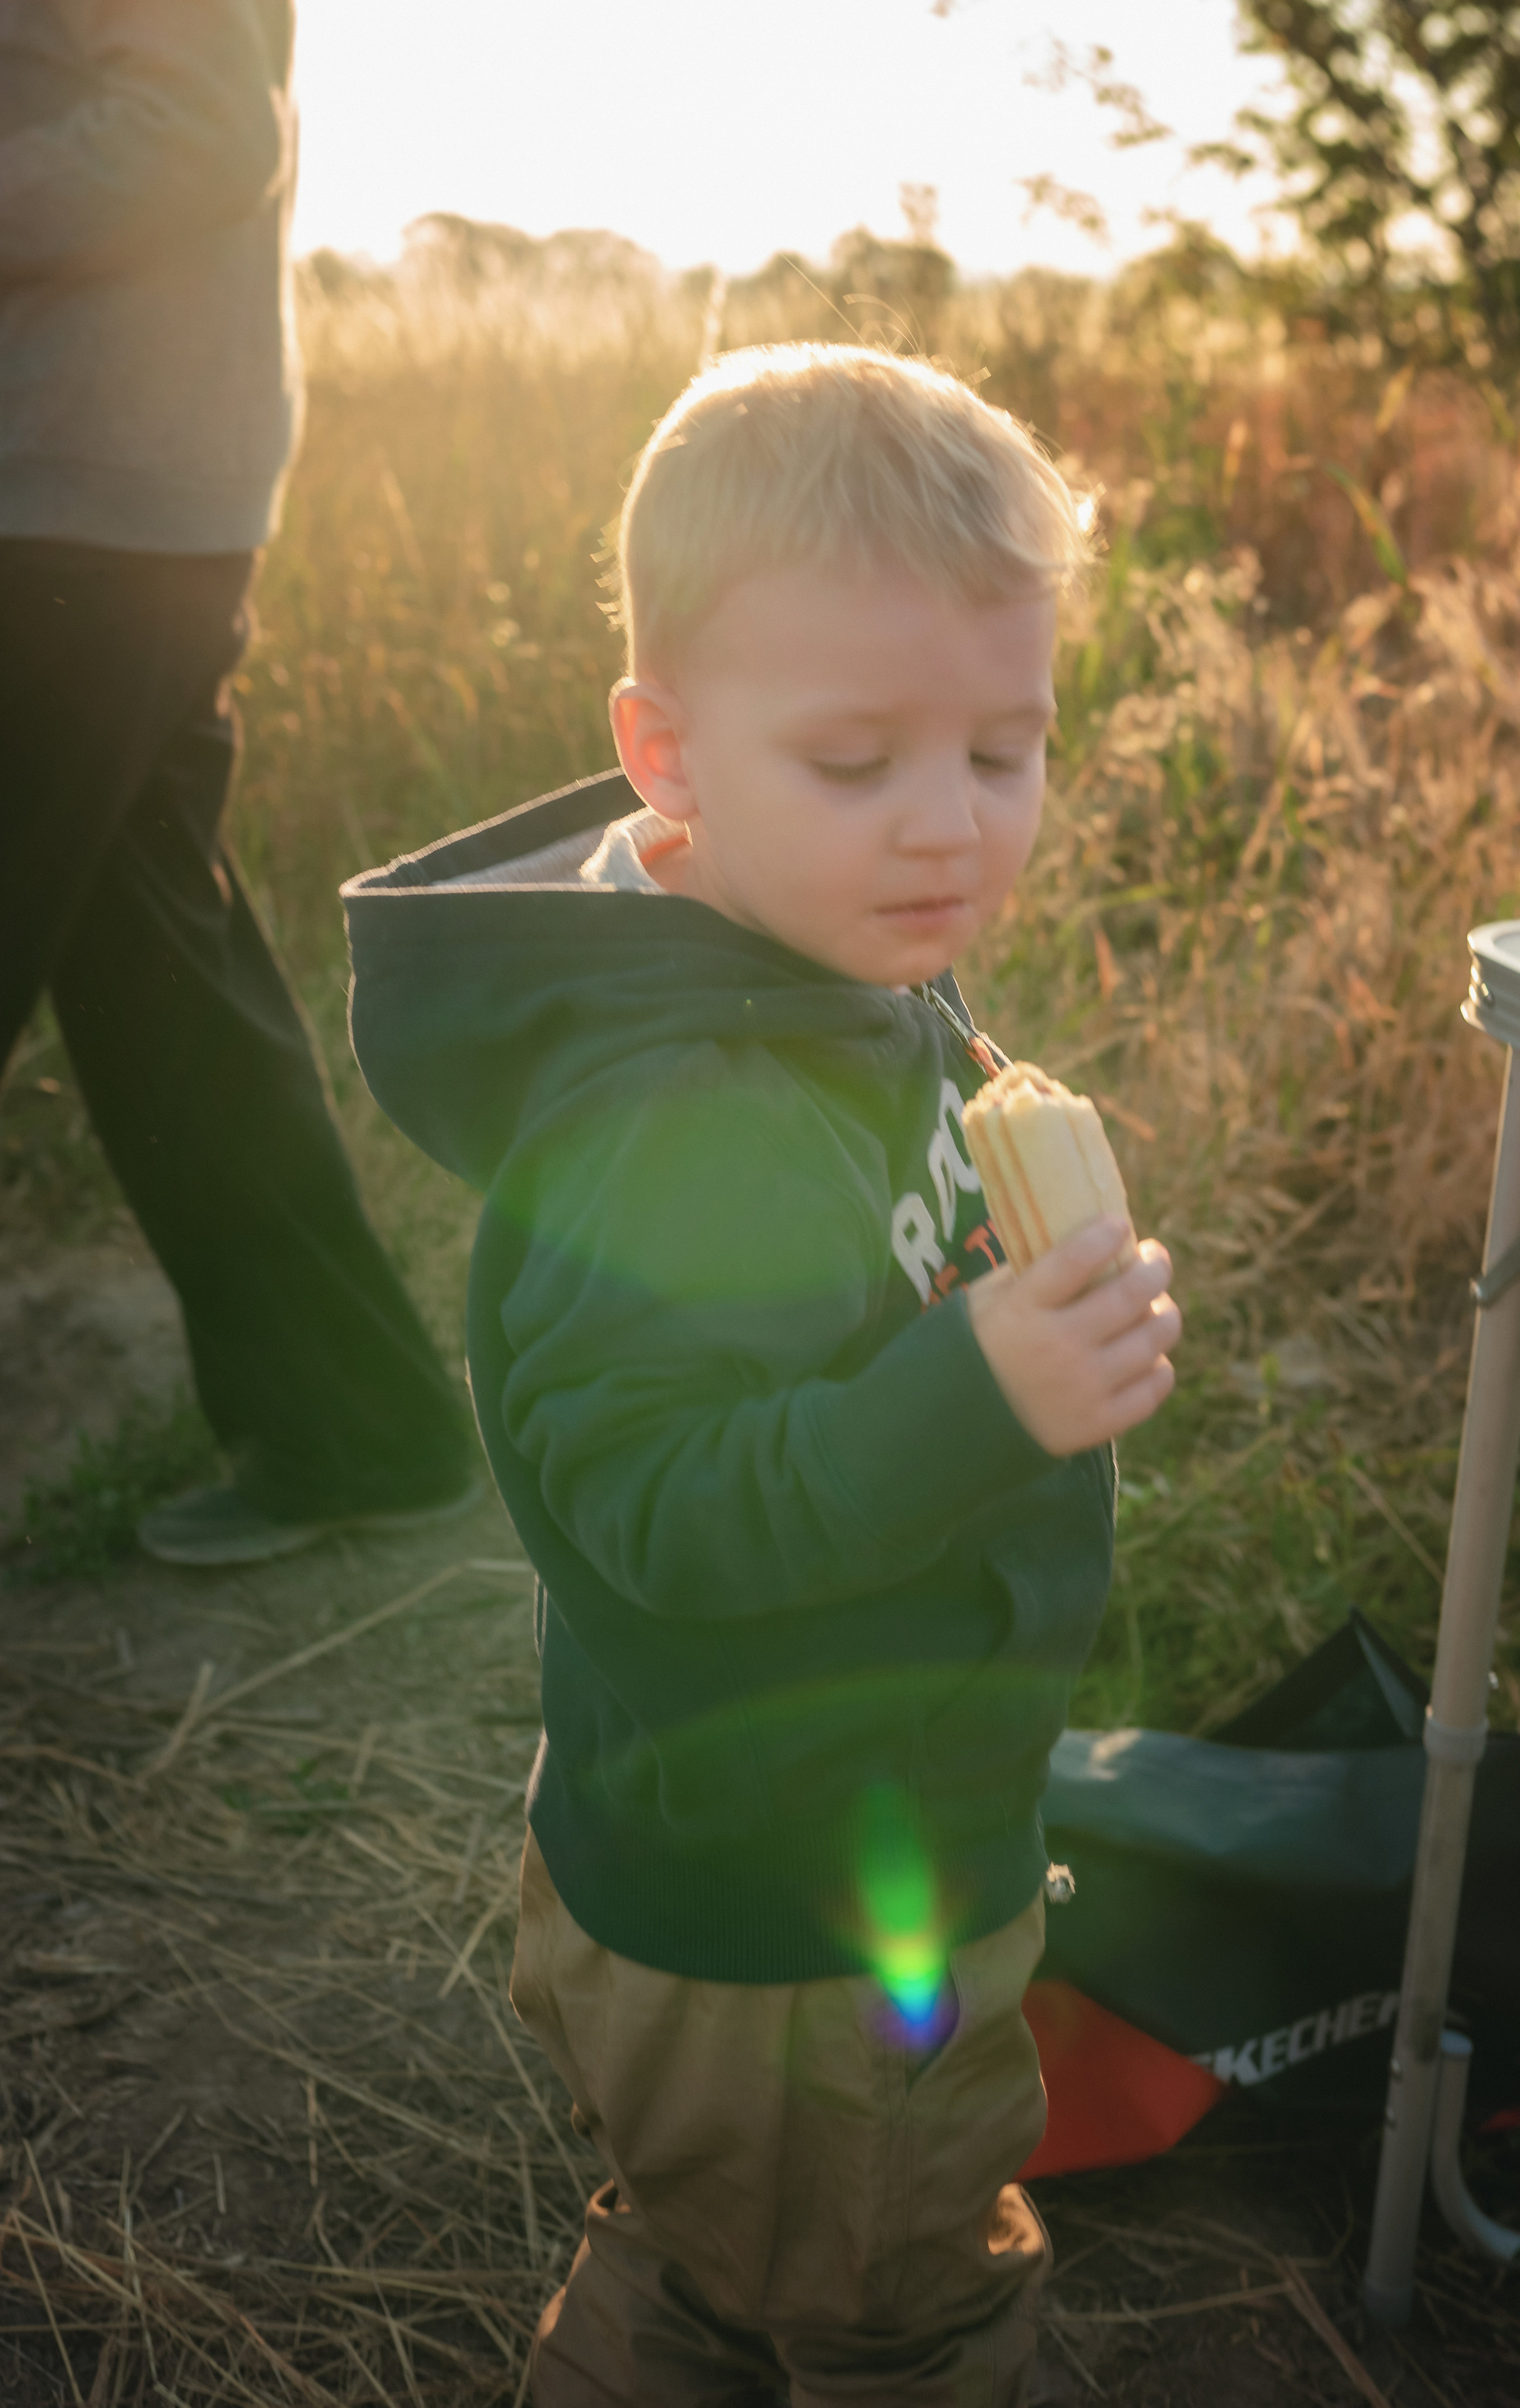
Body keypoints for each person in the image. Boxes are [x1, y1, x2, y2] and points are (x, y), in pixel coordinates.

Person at [344, 346, 1181, 2404]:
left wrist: (1012, 1277)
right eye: (857, 759)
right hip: (799, 1911)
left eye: (1004, 751)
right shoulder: (679, 1118)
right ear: (667, 754)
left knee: (717, 2266)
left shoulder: (839, 965)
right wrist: (980, 1388)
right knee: (910, 2313)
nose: (947, 827)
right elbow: (648, 1515)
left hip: (814, 1833)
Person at [0, 0, 475, 1564]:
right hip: (107, 495)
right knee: (162, 993)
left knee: (158, 978)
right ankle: (361, 1429)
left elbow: (199, 127)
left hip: (74, 503)